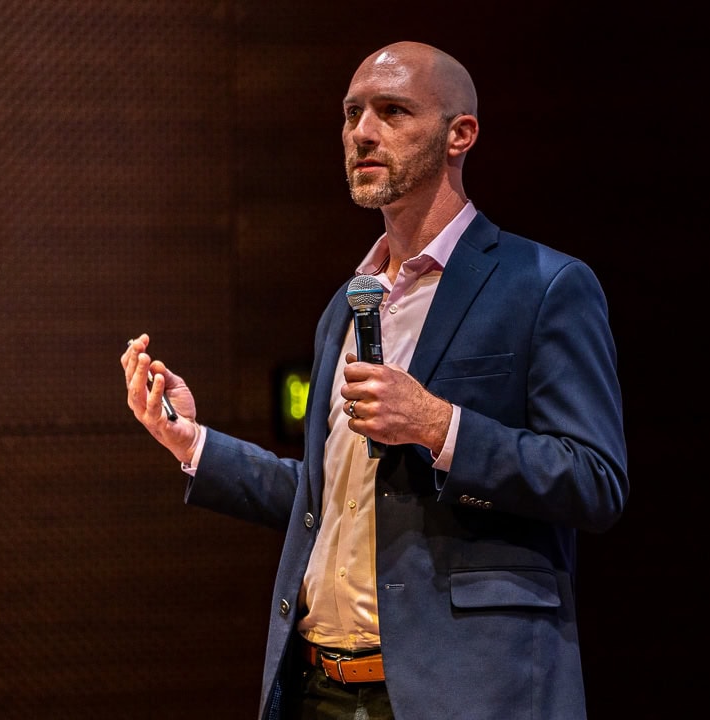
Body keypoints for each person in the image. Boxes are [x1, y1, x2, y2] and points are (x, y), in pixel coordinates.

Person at [122, 40, 628, 720]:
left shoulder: (544, 286)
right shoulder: (350, 302)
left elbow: (594, 480)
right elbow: (325, 503)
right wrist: (193, 443)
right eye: (352, 112)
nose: (363, 132)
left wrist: (439, 426)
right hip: (320, 688)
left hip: (464, 692)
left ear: (460, 134)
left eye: (393, 112)